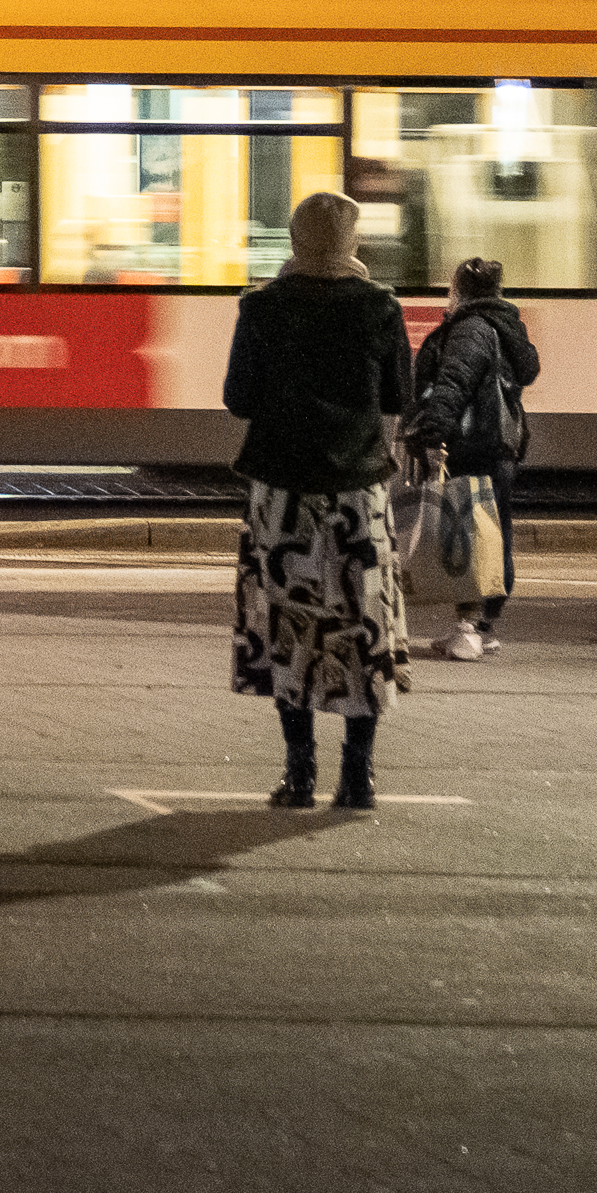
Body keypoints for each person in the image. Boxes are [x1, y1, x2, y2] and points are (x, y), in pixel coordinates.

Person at [224, 189, 417, 808]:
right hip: (358, 490)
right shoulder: (380, 307)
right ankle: (357, 776)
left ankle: (299, 774)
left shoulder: (261, 307)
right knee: (364, 626)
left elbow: (239, 399)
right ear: (352, 241)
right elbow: (396, 398)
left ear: (295, 238)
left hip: (281, 494)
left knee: (289, 627)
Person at [407, 253, 541, 660]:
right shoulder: (502, 326)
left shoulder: (471, 329)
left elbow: (453, 383)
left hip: (472, 446)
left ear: (460, 290)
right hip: (496, 445)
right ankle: (483, 626)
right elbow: (527, 370)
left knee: (467, 535)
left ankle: (470, 629)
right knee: (491, 532)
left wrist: (432, 434)